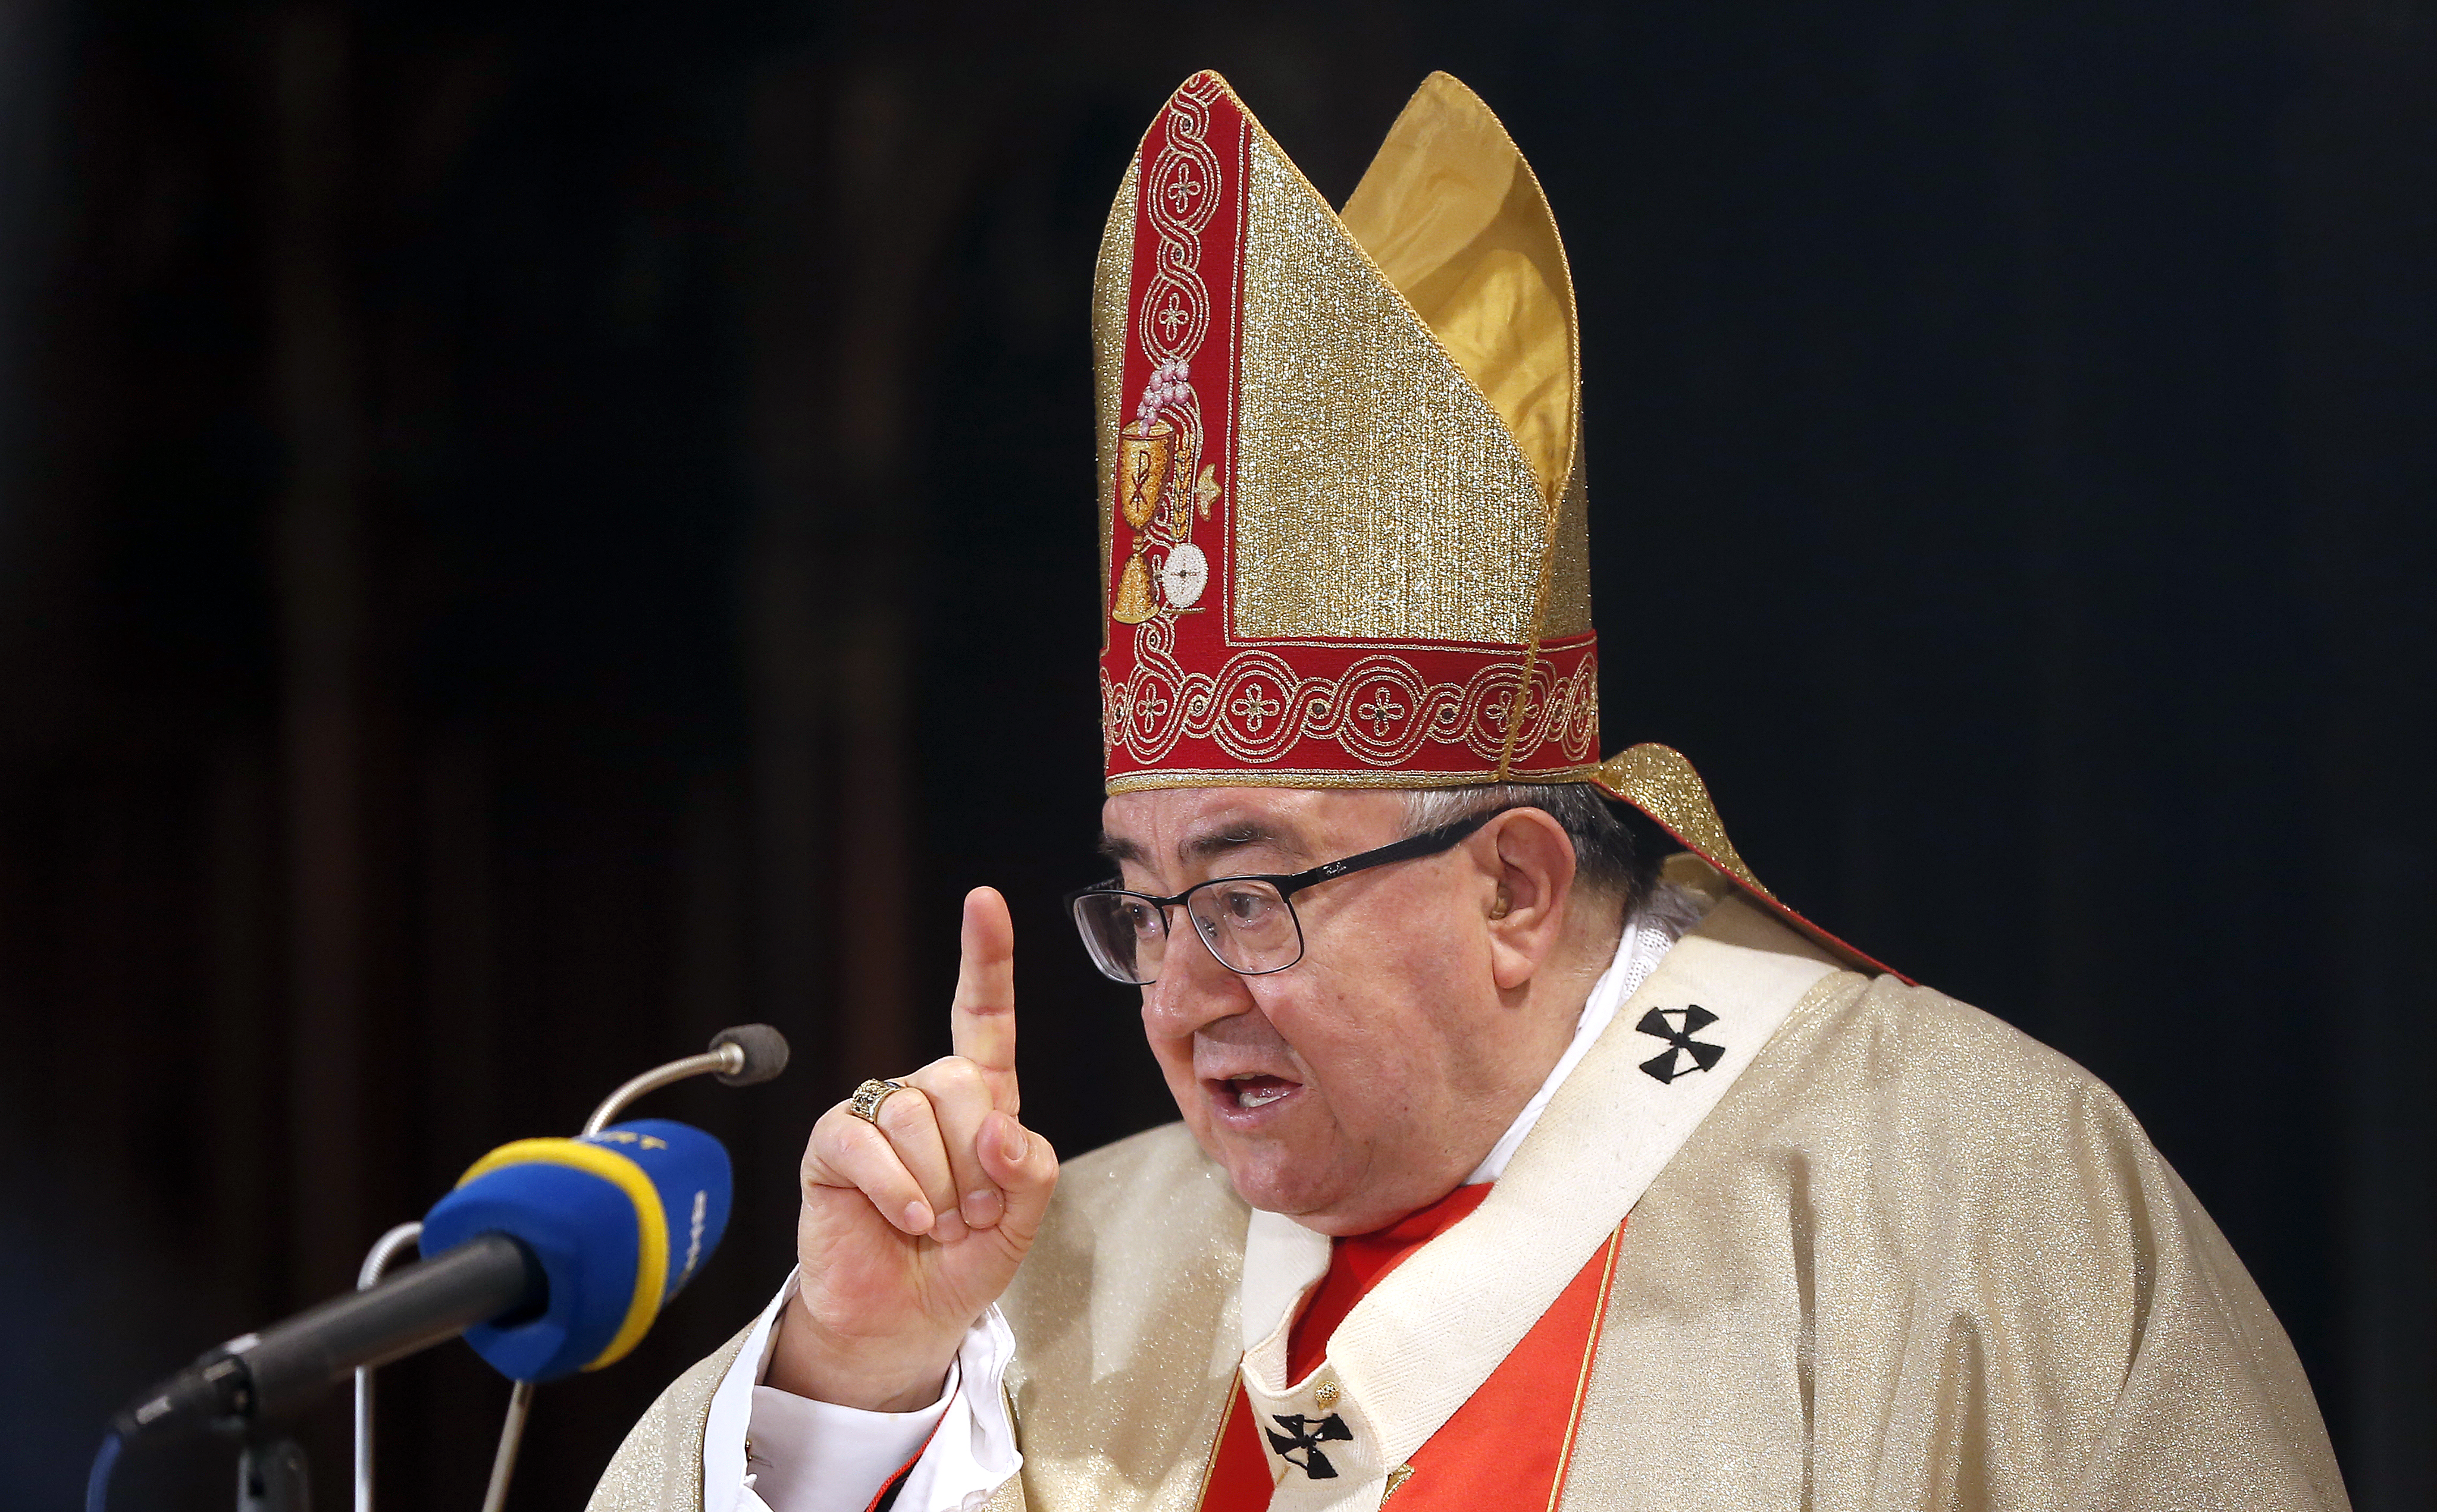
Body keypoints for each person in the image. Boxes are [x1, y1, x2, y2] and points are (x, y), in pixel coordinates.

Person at [590, 71, 2347, 1512]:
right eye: (1143, 906)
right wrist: (857, 1387)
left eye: (1248, 892)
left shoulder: (1966, 1203)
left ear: (1515, 886)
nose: (1179, 996)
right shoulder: (1053, 1283)